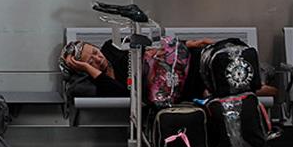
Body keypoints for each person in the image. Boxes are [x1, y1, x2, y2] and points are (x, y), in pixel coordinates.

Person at [61, 38, 275, 99]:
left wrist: (188, 43)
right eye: (90, 61)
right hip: (178, 86)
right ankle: (259, 85)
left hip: (178, 63)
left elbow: (149, 51)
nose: (98, 58)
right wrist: (86, 68)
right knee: (217, 82)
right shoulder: (103, 83)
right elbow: (124, 94)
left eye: (95, 51)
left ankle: (258, 78)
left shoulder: (112, 49)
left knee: (223, 53)